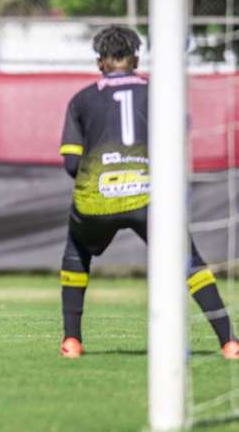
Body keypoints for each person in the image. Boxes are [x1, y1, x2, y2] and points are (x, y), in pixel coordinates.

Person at [58, 25, 238, 359]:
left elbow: (71, 164)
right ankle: (229, 342)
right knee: (189, 262)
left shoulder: (81, 100)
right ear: (136, 58)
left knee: (76, 252)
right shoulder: (161, 93)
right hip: (150, 197)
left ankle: (72, 341)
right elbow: (177, 143)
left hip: (97, 198)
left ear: (100, 61)